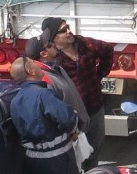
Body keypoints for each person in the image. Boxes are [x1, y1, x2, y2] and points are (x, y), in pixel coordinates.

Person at [40, 17, 114, 163]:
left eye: (68, 27)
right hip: (74, 116)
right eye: (63, 31)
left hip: (95, 108)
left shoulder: (84, 43)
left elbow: (107, 49)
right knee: (74, 156)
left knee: (94, 151)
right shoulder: (54, 58)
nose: (69, 32)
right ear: (53, 39)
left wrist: (100, 74)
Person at [9, 56, 80, 174]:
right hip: (57, 162)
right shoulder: (44, 95)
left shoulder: (15, 100)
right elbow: (66, 119)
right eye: (34, 64)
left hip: (33, 161)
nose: (38, 65)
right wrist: (73, 125)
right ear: (31, 71)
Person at [25, 33, 89, 129]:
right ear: (44, 54)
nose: (54, 44)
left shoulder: (55, 68)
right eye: (50, 45)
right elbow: (54, 113)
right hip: (72, 135)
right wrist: (73, 131)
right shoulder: (44, 79)